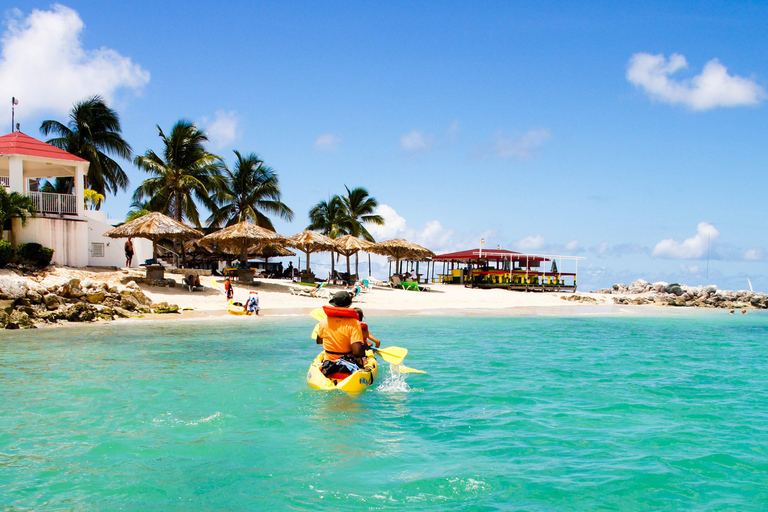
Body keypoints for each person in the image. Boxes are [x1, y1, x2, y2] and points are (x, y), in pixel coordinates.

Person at [315, 291, 366, 368]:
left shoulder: (323, 321)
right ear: (349, 305)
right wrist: (365, 346)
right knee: (363, 359)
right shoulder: (354, 323)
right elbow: (357, 353)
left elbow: (319, 342)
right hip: (347, 363)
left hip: (328, 363)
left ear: (333, 304)